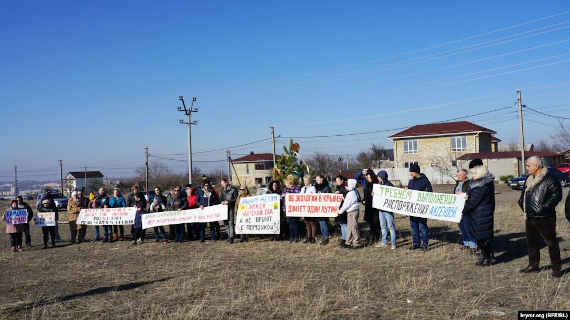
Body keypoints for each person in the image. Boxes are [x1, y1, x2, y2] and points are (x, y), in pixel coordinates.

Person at [518, 156, 563, 278]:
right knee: (532, 243)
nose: (526, 168)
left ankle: (556, 268)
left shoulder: (549, 178)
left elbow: (557, 194)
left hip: (545, 217)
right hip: (530, 217)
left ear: (536, 166)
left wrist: (544, 207)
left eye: (528, 165)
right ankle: (533, 265)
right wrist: (521, 202)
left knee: (551, 243)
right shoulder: (528, 179)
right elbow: (524, 194)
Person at [462, 159, 496, 266]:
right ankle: (485, 257)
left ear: (479, 170)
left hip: (482, 213)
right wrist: (465, 196)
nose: (471, 175)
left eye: (473, 172)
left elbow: (473, 201)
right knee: (480, 237)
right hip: (477, 214)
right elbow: (471, 196)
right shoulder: (477, 182)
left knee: (484, 237)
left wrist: (462, 210)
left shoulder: (482, 184)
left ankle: (488, 258)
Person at [407, 163, 432, 251]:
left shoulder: (425, 180)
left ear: (416, 172)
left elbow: (430, 192)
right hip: (412, 208)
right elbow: (409, 192)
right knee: (414, 226)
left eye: (411, 172)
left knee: (422, 227)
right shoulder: (411, 181)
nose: (410, 174)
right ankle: (416, 243)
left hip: (422, 208)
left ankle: (424, 244)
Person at [454, 169, 477, 252]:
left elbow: (474, 194)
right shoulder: (457, 183)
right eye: (458, 175)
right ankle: (466, 244)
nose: (458, 176)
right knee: (462, 227)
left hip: (467, 209)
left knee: (468, 227)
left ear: (465, 175)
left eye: (460, 175)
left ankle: (473, 246)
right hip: (458, 209)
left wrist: (468, 196)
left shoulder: (470, 183)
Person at [375, 170, 397, 250]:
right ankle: (384, 242)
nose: (377, 178)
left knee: (390, 226)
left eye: (378, 176)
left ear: (382, 177)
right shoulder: (378, 185)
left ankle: (393, 243)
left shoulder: (389, 185)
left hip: (388, 210)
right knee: (383, 226)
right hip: (381, 209)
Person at [338, 179, 361, 249]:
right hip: (351, 212)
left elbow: (346, 205)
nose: (346, 186)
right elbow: (349, 202)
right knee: (349, 228)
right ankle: (348, 242)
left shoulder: (351, 193)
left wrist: (340, 211)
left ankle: (356, 243)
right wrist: (344, 199)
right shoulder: (353, 192)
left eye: (347, 185)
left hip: (353, 212)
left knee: (353, 227)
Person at [362, 170, 380, 245]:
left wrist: (374, 195)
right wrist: (363, 200)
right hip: (368, 206)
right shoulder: (367, 185)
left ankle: (376, 236)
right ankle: (371, 236)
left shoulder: (376, 185)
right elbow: (366, 195)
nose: (368, 178)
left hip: (375, 207)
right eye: (367, 177)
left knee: (375, 223)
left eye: (369, 177)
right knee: (370, 223)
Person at [283, 175, 301, 243]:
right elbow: (283, 197)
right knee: (290, 224)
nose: (285, 184)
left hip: (294, 208)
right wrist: (283, 196)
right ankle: (291, 237)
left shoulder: (296, 188)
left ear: (289, 182)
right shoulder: (285, 189)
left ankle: (296, 237)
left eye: (286, 183)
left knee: (295, 223)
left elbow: (297, 195)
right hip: (287, 209)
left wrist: (288, 195)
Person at [220, 178, 239, 244]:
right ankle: (228, 236)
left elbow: (236, 199)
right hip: (224, 209)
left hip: (231, 208)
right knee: (226, 223)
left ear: (226, 183)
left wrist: (228, 202)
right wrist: (222, 202)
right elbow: (221, 198)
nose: (222, 185)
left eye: (223, 183)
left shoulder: (233, 189)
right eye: (221, 184)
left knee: (230, 222)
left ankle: (231, 237)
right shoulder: (222, 190)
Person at [314, 175, 331, 245]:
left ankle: (326, 237)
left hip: (324, 207)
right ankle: (323, 236)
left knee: (324, 222)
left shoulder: (326, 187)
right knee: (320, 222)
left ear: (322, 179)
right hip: (318, 207)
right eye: (316, 179)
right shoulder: (315, 187)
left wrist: (322, 194)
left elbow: (329, 196)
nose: (316, 180)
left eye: (318, 179)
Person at [301, 175, 317, 244]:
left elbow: (314, 196)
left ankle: (313, 237)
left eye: (306, 180)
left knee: (312, 222)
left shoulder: (312, 188)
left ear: (309, 181)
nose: (305, 182)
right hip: (305, 207)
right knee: (307, 222)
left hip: (311, 207)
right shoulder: (302, 188)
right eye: (304, 180)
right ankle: (308, 237)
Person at [334, 175, 348, 246]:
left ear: (342, 181)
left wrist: (340, 194)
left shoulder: (344, 188)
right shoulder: (337, 188)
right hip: (338, 208)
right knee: (341, 223)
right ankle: (343, 237)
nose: (337, 182)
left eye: (338, 181)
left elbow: (346, 199)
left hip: (344, 209)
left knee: (344, 224)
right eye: (336, 181)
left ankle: (346, 238)